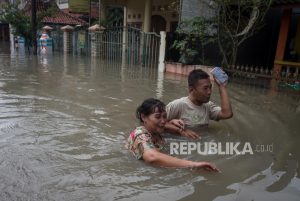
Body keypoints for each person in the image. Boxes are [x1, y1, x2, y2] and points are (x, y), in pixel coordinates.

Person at [126, 98, 219, 171]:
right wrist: (193, 164)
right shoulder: (140, 134)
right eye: (157, 117)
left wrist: (174, 124)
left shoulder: (156, 131)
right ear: (143, 117)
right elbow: (152, 157)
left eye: (164, 116)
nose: (163, 121)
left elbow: (169, 127)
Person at [165, 69, 233, 139]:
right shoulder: (178, 105)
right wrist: (182, 131)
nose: (209, 92)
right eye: (205, 88)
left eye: (210, 87)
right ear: (191, 89)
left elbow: (227, 114)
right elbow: (157, 124)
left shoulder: (208, 106)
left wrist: (222, 86)